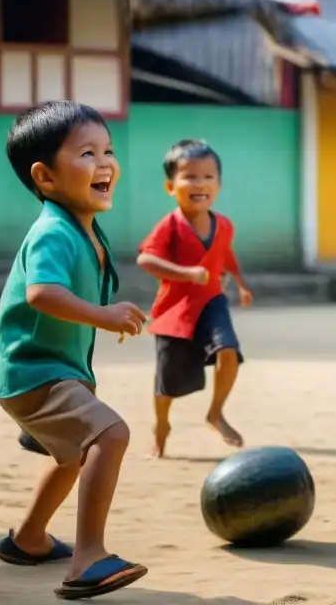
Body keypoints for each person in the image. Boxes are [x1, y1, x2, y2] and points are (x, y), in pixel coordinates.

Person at [0, 101, 148, 599]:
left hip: (53, 370)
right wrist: (103, 314)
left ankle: (29, 539)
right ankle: (88, 559)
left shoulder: (84, 228)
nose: (105, 163)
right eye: (86, 153)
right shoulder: (53, 231)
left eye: (108, 150)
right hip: (33, 373)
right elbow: (41, 293)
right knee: (112, 434)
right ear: (46, 177)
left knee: (70, 457)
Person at [136, 139, 252, 459]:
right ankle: (161, 426)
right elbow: (146, 259)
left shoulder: (224, 225)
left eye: (207, 176)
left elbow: (225, 255)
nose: (199, 184)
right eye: (189, 177)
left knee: (228, 350)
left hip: (212, 300)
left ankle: (216, 413)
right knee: (167, 380)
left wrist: (240, 283)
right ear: (170, 186)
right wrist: (186, 273)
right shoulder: (170, 225)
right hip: (175, 310)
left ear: (219, 184)